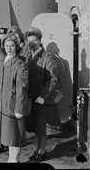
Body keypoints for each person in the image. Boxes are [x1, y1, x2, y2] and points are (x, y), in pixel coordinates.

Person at [24, 27, 62, 162]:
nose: (31, 43)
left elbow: (53, 79)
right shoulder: (29, 56)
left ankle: (42, 151)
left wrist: (43, 96)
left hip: (42, 97)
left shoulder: (47, 57)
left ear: (40, 41)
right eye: (29, 41)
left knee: (43, 127)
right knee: (36, 126)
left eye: (34, 40)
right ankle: (36, 150)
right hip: (33, 97)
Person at [0, 33, 29, 162]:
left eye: (12, 46)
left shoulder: (20, 64)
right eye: (7, 46)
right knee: (9, 133)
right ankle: (11, 159)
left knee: (16, 133)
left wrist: (19, 108)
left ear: (16, 47)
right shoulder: (4, 60)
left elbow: (22, 88)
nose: (9, 48)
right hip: (3, 103)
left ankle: (14, 159)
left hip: (13, 105)